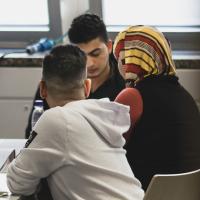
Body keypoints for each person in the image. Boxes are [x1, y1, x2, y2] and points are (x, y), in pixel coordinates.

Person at [7, 44, 144, 200]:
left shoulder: (56, 119)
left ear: (43, 89)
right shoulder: (103, 115)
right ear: (87, 87)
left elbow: (17, 183)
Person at [113, 25, 200, 191]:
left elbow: (110, 147)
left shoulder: (131, 96)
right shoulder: (186, 96)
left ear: (131, 60)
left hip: (147, 192)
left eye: (120, 58)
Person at [25, 13, 124, 139]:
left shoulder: (126, 78)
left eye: (95, 53)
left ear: (109, 47)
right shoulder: (56, 76)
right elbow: (32, 132)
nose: (89, 64)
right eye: (82, 55)